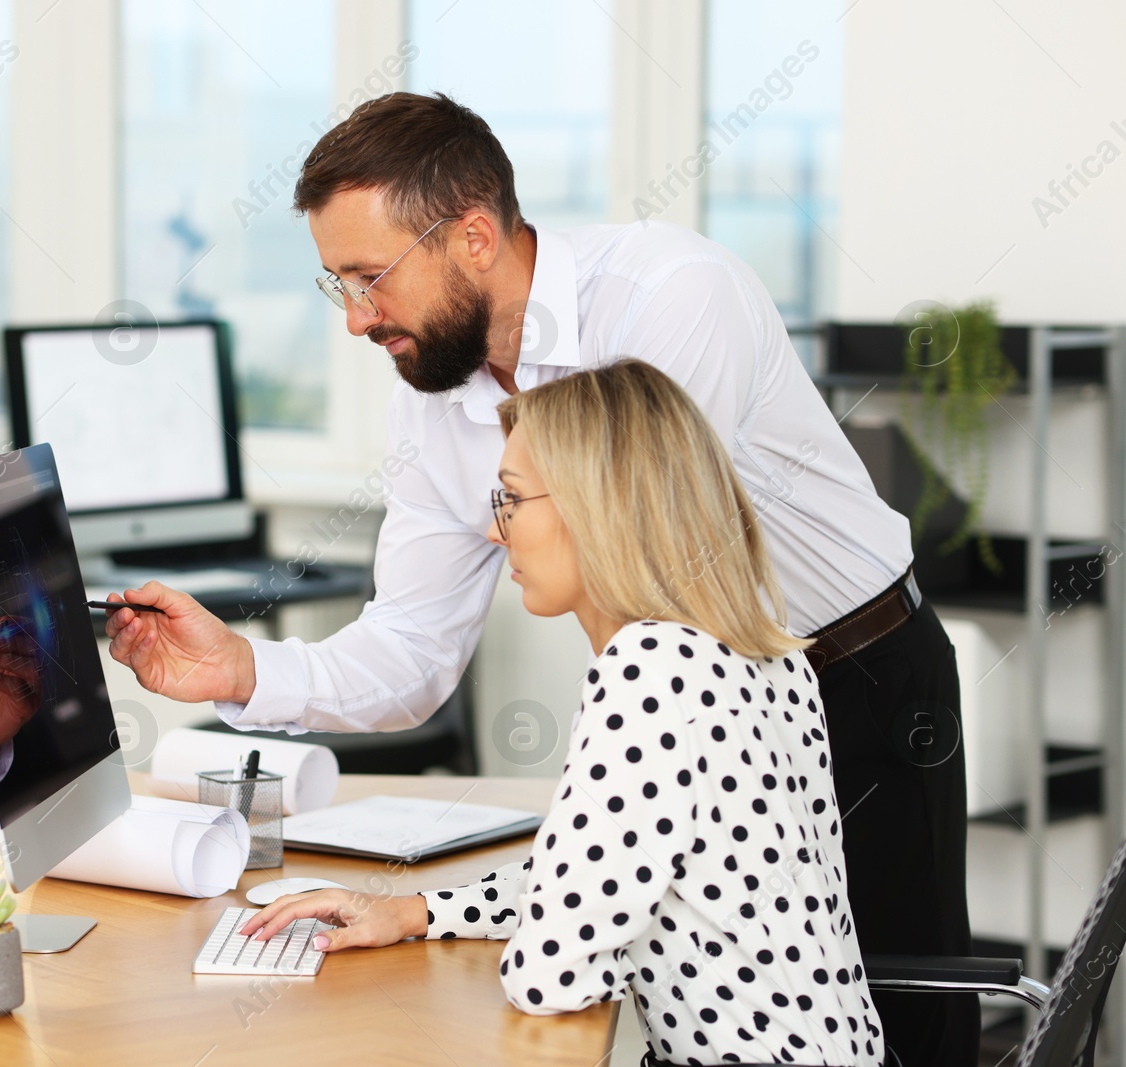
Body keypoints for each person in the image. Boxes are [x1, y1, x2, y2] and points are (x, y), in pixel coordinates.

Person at [105, 92, 972, 1066]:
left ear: (472, 236)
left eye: (368, 277)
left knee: (912, 1010)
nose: (354, 318)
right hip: (748, 680)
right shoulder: (437, 400)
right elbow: (414, 651)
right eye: (332, 285)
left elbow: (655, 565)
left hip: (858, 666)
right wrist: (240, 671)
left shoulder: (669, 297)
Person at [241, 361, 883, 1066]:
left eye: (511, 498)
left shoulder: (653, 668)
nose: (495, 529)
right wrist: (414, 912)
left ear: (596, 506)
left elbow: (551, 972)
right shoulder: (754, 639)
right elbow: (593, 881)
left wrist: (573, 936)